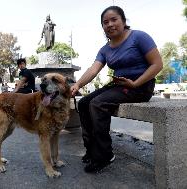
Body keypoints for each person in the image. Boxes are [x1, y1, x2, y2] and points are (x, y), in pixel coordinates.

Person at [70, 6, 163, 173]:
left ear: (124, 21)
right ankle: (92, 150)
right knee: (84, 103)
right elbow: (93, 70)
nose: (110, 24)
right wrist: (78, 85)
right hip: (120, 85)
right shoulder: (105, 49)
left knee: (97, 104)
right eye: (105, 22)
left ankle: (104, 155)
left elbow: (157, 64)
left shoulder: (139, 37)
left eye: (114, 20)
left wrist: (135, 83)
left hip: (141, 85)